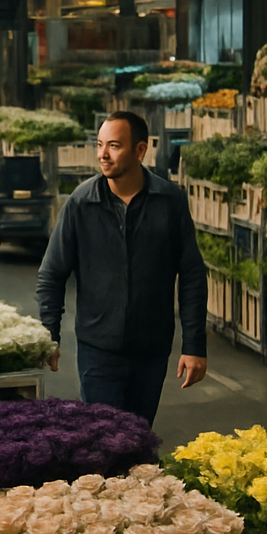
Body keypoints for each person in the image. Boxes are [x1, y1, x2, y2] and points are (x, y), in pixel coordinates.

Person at [36, 110, 208, 426]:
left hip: (152, 349)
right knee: (103, 441)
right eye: (100, 144)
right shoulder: (82, 203)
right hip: (98, 349)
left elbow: (192, 275)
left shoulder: (169, 201)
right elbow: (52, 273)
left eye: (114, 146)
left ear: (140, 150)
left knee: (139, 438)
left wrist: (194, 345)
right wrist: (50, 335)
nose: (102, 154)